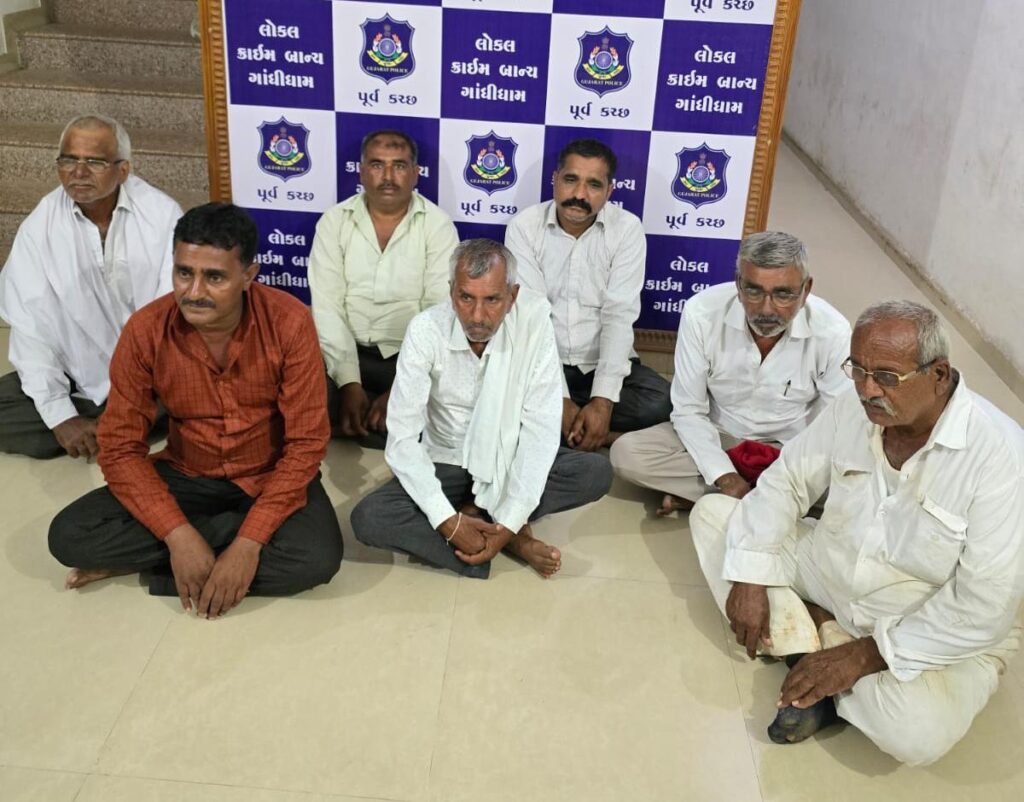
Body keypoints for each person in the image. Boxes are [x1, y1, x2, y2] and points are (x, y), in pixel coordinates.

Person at [689, 300, 1024, 765]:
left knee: (918, 736)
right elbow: (786, 482)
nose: (867, 390)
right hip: (830, 570)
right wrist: (748, 575)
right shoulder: (853, 408)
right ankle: (823, 645)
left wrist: (866, 655)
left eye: (886, 376)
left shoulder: (1001, 457)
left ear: (939, 374)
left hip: (921, 615)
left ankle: (809, 647)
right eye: (858, 370)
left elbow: (982, 604)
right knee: (714, 515)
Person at [48, 204, 342, 618]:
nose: (194, 291)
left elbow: (306, 445)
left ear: (249, 276)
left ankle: (167, 567)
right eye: (184, 273)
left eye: (215, 277)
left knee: (317, 559)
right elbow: (119, 447)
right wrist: (178, 535)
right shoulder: (146, 330)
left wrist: (247, 544)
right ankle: (201, 551)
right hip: (188, 472)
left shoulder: (289, 322)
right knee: (69, 536)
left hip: (269, 473)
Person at [351, 239, 612, 579]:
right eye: (466, 298)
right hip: (446, 461)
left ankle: (496, 530)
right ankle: (504, 540)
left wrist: (508, 522)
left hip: (508, 457)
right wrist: (447, 521)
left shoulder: (533, 325)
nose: (477, 316)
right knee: (369, 518)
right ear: (451, 292)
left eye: (492, 300)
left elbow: (539, 432)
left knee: (595, 472)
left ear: (512, 296)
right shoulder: (426, 330)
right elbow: (401, 439)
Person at [610, 232, 850, 515]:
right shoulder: (702, 313)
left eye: (783, 294)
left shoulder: (832, 331)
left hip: (788, 448)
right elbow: (688, 410)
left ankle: (711, 497)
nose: (766, 309)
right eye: (754, 291)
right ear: (738, 284)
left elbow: (835, 423)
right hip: (719, 434)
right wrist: (723, 475)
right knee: (627, 455)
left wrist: (797, 468)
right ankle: (769, 500)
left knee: (850, 485)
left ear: (806, 289)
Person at [0, 114, 182, 459]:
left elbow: (174, 317)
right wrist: (60, 415)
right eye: (69, 160)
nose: (79, 172)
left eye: (95, 162)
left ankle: (119, 423)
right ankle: (104, 427)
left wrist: (138, 395)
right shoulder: (39, 227)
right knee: (25, 401)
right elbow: (30, 327)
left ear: (123, 169)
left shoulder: (162, 216)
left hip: (152, 377)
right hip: (80, 375)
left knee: (200, 389)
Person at [504, 138, 671, 452]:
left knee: (661, 401)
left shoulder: (627, 229)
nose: (580, 195)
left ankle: (575, 430)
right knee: (497, 392)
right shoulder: (525, 227)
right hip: (542, 363)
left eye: (594, 185)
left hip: (599, 364)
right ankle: (593, 433)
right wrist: (559, 398)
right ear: (555, 180)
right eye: (571, 180)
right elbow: (533, 318)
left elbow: (619, 315)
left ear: (609, 191)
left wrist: (603, 401)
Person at [308, 129, 458, 446]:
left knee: (450, 398)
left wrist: (403, 387)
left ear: (415, 173)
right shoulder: (334, 222)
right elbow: (327, 307)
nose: (388, 177)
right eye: (377, 165)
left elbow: (439, 312)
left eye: (399, 166)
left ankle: (365, 421)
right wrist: (348, 383)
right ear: (361, 171)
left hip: (408, 358)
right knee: (300, 402)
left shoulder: (437, 225)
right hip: (343, 355)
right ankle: (364, 418)